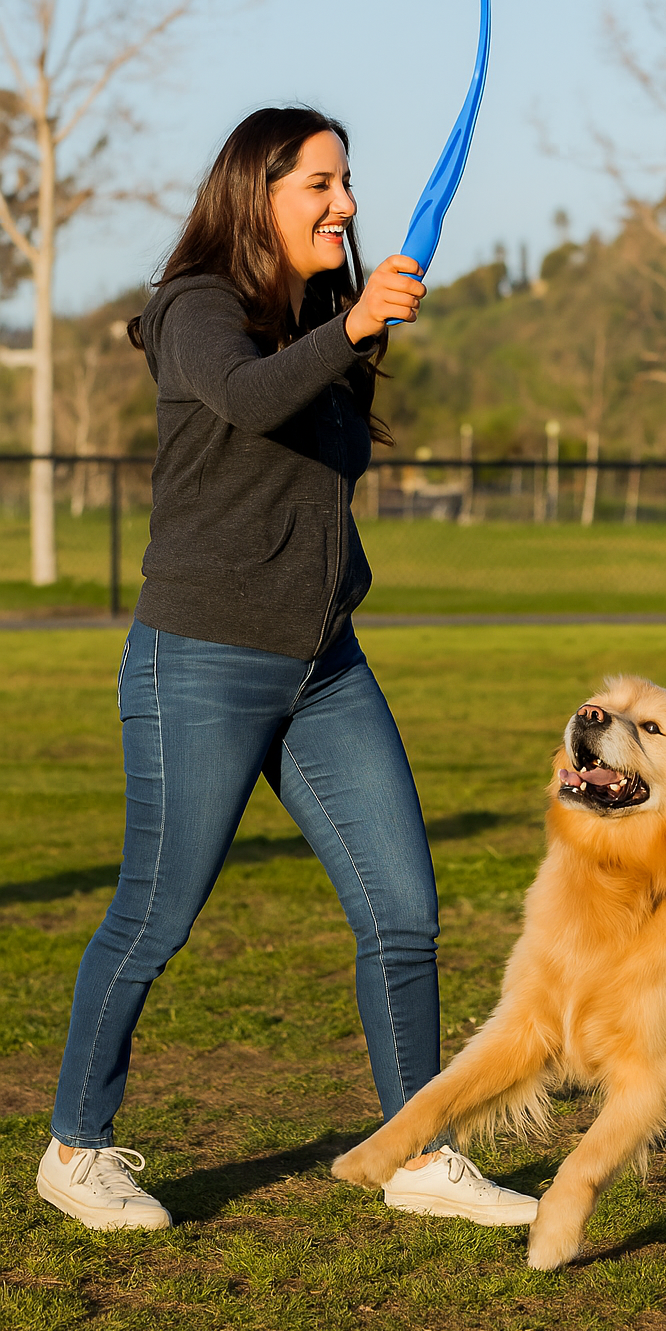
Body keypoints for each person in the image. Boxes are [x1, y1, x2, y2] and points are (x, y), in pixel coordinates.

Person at [36, 106, 536, 1233]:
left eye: (348, 182)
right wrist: (352, 324)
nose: (345, 204)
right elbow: (248, 398)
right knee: (154, 916)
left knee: (404, 909)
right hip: (201, 659)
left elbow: (325, 445)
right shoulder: (193, 307)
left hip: (325, 666)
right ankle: (76, 1146)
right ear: (255, 194)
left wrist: (350, 328)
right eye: (319, 183)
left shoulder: (323, 317)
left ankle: (413, 1148)